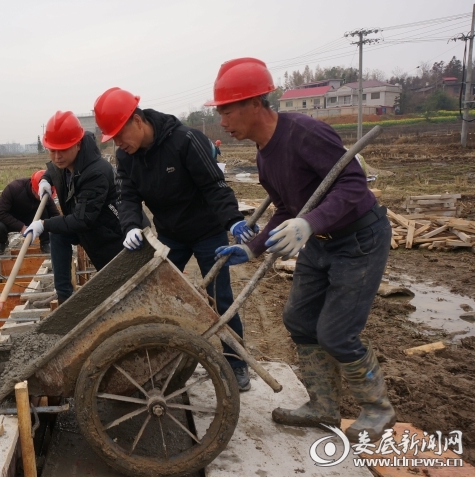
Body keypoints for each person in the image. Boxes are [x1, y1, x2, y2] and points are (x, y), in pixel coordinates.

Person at [209, 58, 394, 440]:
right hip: (322, 242)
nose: (222, 122)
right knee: (298, 319)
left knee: (337, 333)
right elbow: (287, 209)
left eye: (227, 110)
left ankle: (378, 408)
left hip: (359, 239)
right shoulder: (264, 155)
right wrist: (254, 248)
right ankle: (322, 406)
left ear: (254, 104)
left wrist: (309, 224)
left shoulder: (305, 133)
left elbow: (353, 185)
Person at [93, 87, 258, 392]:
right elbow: (127, 196)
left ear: (138, 121)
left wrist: (233, 220)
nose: (117, 143)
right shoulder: (126, 157)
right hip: (171, 234)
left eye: (119, 134)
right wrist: (130, 225)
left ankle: (236, 363)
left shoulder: (185, 140)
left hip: (208, 232)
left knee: (220, 299)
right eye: (112, 138)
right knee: (157, 294)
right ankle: (161, 357)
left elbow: (214, 186)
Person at [23, 111, 125, 304]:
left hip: (112, 235)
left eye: (62, 150)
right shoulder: (64, 162)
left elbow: (81, 220)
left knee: (120, 290)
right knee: (58, 233)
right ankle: (64, 297)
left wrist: (43, 224)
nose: (57, 156)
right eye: (52, 150)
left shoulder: (95, 172)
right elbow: (52, 171)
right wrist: (45, 181)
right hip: (90, 226)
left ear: (78, 144)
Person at [0, 171, 60, 255]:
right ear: (34, 189)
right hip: (12, 219)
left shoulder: (45, 194)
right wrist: (21, 227)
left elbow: (55, 214)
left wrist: (61, 230)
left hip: (32, 219)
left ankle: (45, 243)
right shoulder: (14, 188)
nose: (44, 197)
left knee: (44, 212)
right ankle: (2, 243)